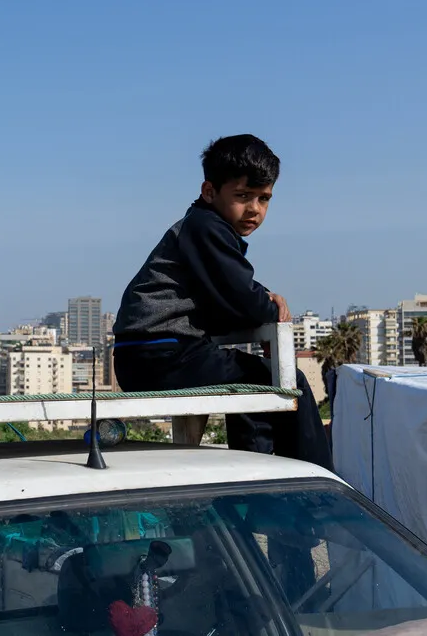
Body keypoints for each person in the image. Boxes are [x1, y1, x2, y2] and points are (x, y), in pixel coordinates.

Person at [112, 134, 331, 470]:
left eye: (264, 198)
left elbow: (227, 301)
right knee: (285, 383)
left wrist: (261, 302)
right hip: (164, 356)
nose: (255, 209)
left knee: (253, 377)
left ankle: (264, 473)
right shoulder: (206, 227)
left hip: (153, 356)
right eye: (243, 196)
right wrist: (273, 309)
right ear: (209, 192)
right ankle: (308, 487)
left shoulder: (202, 228)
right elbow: (243, 299)